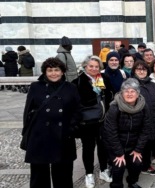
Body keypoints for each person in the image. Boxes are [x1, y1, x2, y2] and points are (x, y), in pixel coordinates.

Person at [22, 57, 81, 188]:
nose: (53, 73)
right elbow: (28, 111)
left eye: (56, 70)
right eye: (50, 70)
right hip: (40, 136)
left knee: (63, 174)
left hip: (63, 136)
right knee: (39, 175)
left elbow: (77, 110)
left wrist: (72, 128)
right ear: (45, 72)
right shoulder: (35, 87)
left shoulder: (71, 87)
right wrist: (27, 132)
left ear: (62, 72)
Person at [72, 55, 114, 188]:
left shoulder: (103, 79)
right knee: (88, 148)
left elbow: (109, 95)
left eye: (96, 66)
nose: (94, 68)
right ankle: (89, 173)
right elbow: (75, 104)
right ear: (85, 66)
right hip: (87, 121)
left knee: (103, 146)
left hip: (103, 120)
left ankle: (103, 170)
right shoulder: (78, 82)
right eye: (91, 66)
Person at [103, 78, 151, 188]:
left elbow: (146, 129)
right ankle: (116, 184)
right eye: (126, 91)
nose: (129, 94)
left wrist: (138, 149)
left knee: (136, 163)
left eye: (133, 91)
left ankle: (132, 181)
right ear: (122, 93)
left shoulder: (143, 107)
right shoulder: (115, 107)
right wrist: (119, 153)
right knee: (119, 166)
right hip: (115, 144)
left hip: (134, 144)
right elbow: (110, 132)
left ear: (138, 93)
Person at [131, 60, 155, 176]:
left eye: (143, 69)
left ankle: (146, 165)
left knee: (149, 143)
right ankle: (135, 167)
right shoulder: (130, 84)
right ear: (134, 71)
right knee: (138, 144)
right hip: (137, 120)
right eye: (138, 69)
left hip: (153, 119)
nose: (141, 71)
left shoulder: (152, 84)